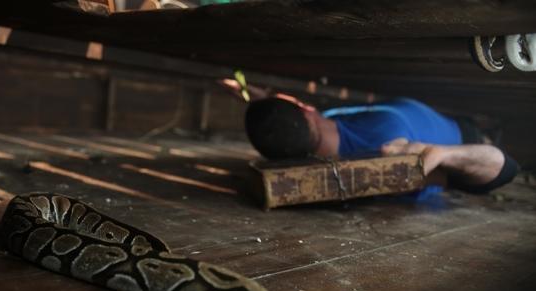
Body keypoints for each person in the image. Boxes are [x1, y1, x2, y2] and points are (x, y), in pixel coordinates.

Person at [221, 79, 519, 193]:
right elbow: (506, 169)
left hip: (454, 124)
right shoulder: (383, 155)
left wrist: (257, 101)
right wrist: (442, 153)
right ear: (305, 112)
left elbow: (281, 123)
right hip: (467, 137)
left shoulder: (323, 129)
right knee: (491, 146)